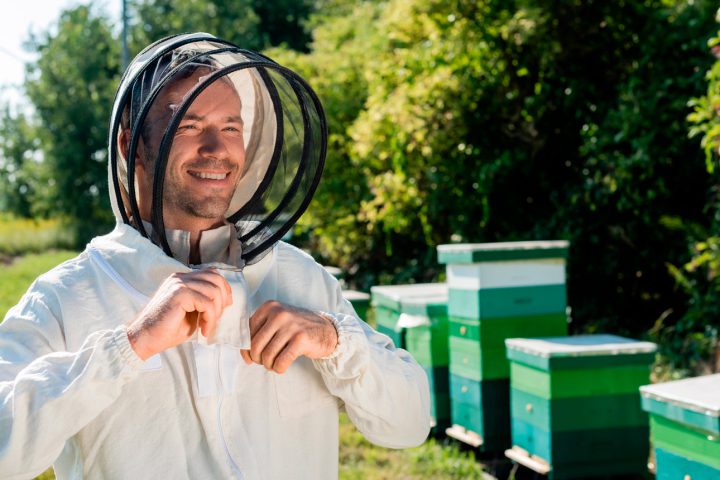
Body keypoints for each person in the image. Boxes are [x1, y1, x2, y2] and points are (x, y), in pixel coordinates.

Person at [0, 33, 430, 479]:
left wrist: (333, 340)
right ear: (131, 147)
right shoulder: (67, 296)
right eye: (188, 126)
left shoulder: (301, 278)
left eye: (230, 128)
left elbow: (411, 424)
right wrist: (131, 345)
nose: (217, 149)